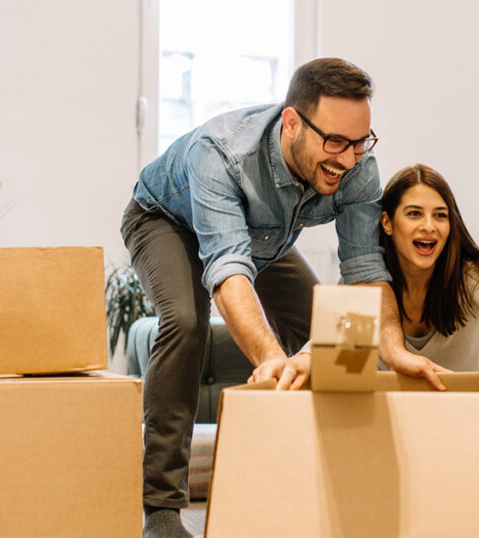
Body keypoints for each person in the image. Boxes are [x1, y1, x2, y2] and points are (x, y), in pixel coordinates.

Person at [121, 57, 443, 538]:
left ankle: (340, 488)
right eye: (334, 141)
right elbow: (229, 270)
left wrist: (391, 348)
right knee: (186, 323)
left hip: (264, 239)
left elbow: (365, 275)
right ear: (291, 121)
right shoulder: (220, 154)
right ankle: (162, 511)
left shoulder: (356, 165)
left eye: (360, 142)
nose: (347, 158)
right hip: (166, 222)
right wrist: (272, 359)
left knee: (346, 348)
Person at [373, 164, 479, 370]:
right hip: (397, 401)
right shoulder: (362, 280)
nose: (429, 226)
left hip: (473, 397)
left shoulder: (470, 275)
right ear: (387, 223)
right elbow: (323, 348)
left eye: (441, 215)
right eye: (414, 213)